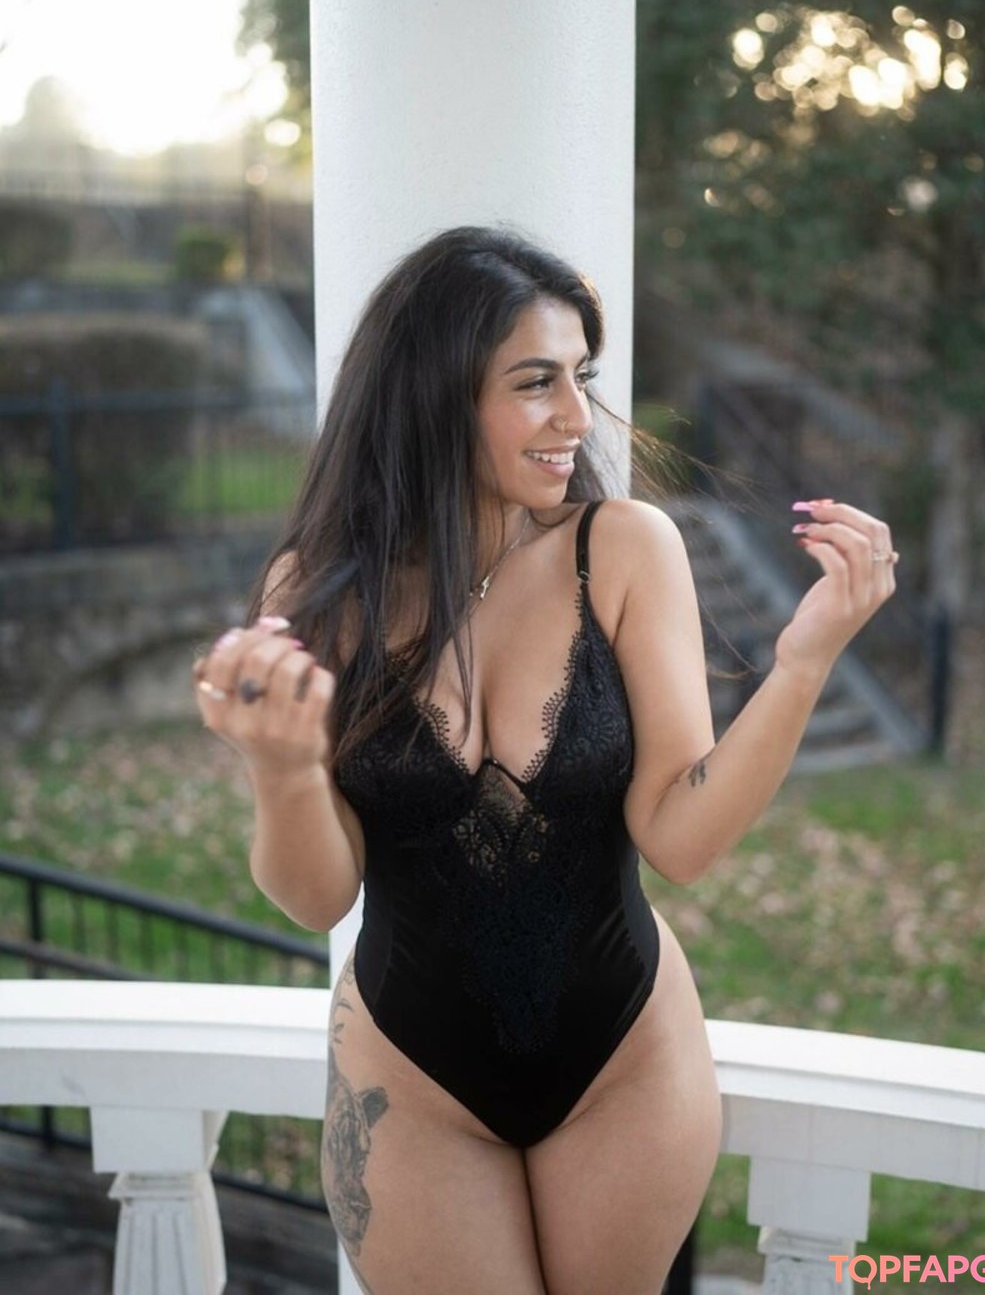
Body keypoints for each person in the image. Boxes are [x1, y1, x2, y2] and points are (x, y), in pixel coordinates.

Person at [193, 225, 898, 1295]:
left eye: (582, 376)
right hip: (410, 1081)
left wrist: (802, 664)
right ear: (435, 394)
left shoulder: (622, 547)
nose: (577, 415)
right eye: (536, 382)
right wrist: (282, 771)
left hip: (624, 1063)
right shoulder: (321, 591)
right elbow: (316, 895)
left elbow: (681, 840)